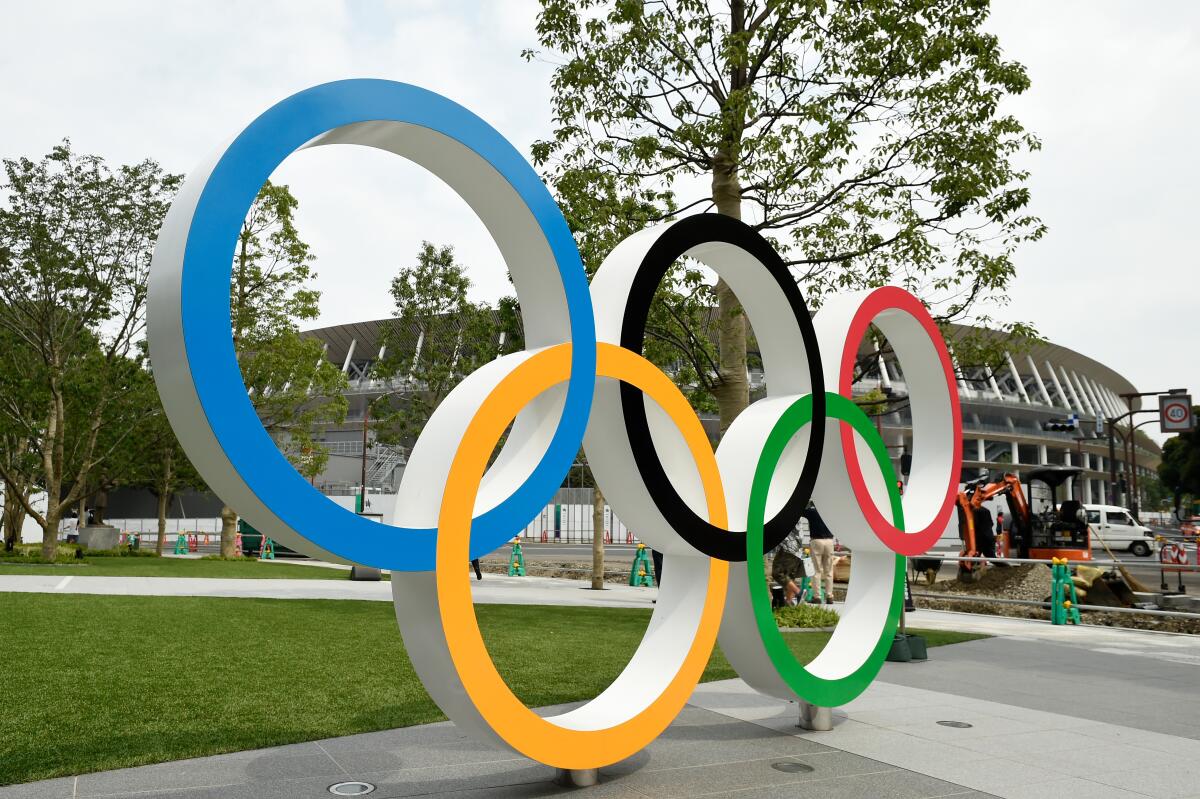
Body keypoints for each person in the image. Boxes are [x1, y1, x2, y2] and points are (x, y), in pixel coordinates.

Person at [802, 504, 835, 605]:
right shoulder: (830, 511)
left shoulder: (812, 512)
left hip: (816, 541)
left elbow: (801, 510)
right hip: (829, 541)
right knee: (829, 571)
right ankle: (829, 596)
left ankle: (817, 597)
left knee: (816, 571)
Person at [769, 526, 806, 606]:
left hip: (788, 547)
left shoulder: (786, 514)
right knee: (789, 577)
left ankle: (798, 592)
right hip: (798, 549)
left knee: (777, 573)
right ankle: (788, 603)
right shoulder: (798, 514)